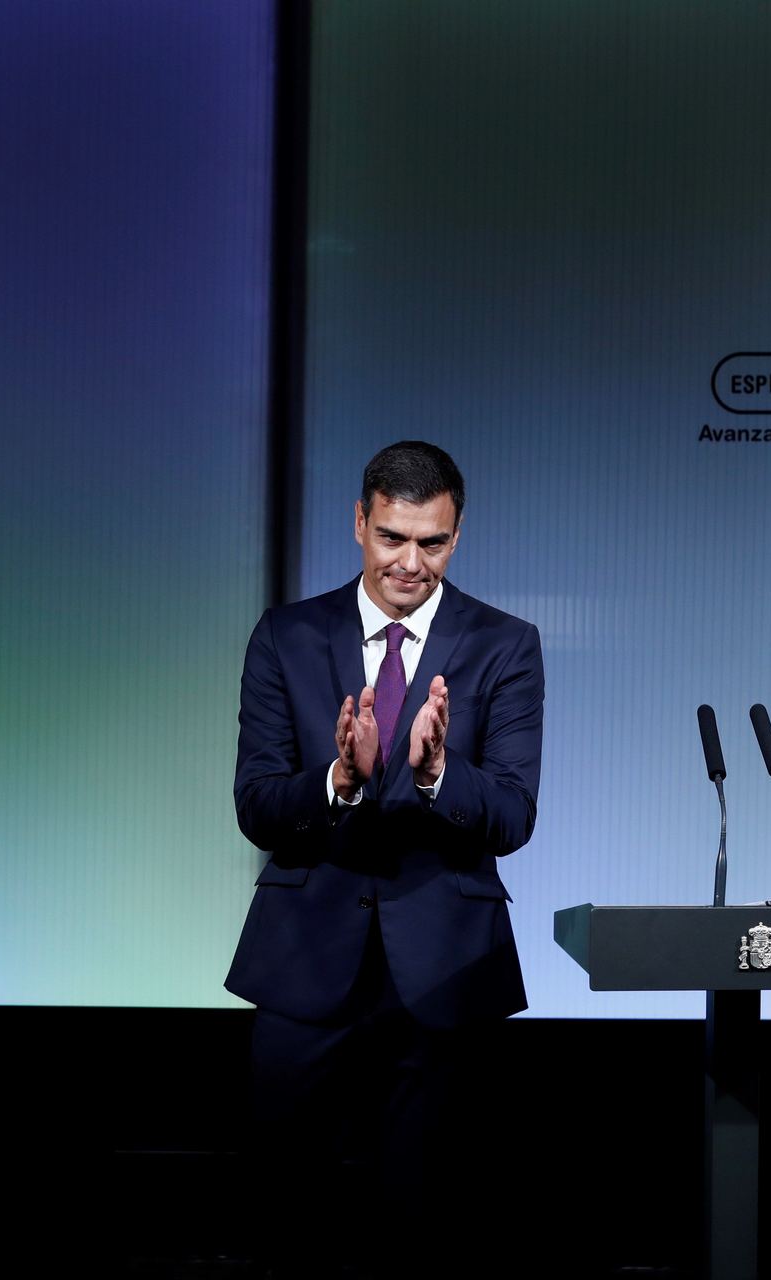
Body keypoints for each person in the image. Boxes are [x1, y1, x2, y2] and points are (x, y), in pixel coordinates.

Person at [226, 440, 544, 1277]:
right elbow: (257, 805)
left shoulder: (504, 644)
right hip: (305, 955)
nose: (411, 563)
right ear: (359, 522)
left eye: (432, 542)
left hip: (444, 965)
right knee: (286, 1216)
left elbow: (512, 814)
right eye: (392, 538)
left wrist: (438, 774)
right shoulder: (287, 636)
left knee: (430, 1224)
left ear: (458, 532)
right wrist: (337, 777)